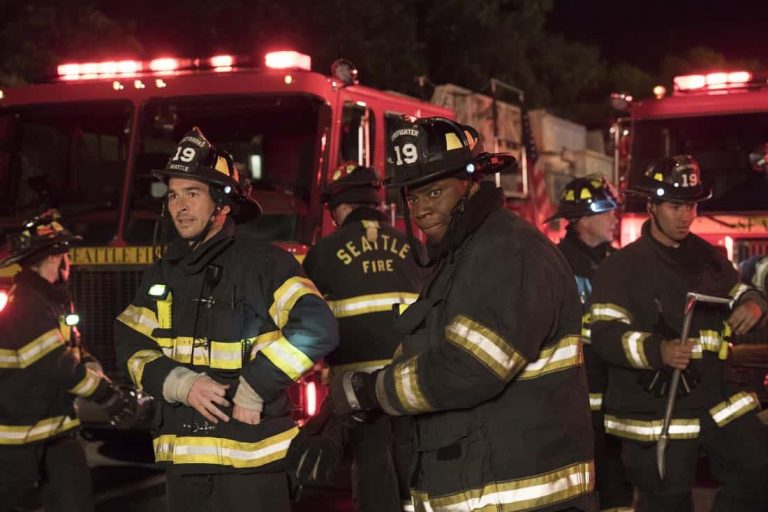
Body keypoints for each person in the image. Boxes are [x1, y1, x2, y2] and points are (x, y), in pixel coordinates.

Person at [327, 116, 596, 511]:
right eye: (412, 198)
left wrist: (374, 391)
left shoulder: (509, 251)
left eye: (434, 192)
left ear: (472, 183)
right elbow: (428, 350)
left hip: (520, 496)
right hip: (485, 485)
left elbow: (470, 368)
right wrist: (348, 408)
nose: (421, 210)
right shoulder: (462, 254)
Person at [114, 127, 338, 512]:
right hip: (184, 468)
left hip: (252, 468)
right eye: (173, 195)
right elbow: (130, 343)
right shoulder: (163, 272)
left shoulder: (264, 264)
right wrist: (180, 383)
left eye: (193, 193)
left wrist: (254, 386)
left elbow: (318, 327)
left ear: (223, 203)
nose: (180, 206)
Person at [590, 154, 768, 512]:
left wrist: (754, 304)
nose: (685, 216)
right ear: (652, 206)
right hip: (657, 405)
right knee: (667, 500)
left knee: (757, 470)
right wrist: (658, 350)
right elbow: (605, 335)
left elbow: (740, 291)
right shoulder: (622, 267)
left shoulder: (709, 257)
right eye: (675, 206)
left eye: (691, 206)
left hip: (716, 394)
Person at [301, 163, 423, 511]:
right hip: (411, 380)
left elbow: (306, 321)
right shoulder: (414, 247)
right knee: (413, 460)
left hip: (356, 390)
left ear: (340, 208)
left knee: (371, 464)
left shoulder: (323, 253)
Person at [0, 210, 128, 512]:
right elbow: (56, 366)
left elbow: (71, 348)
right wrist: (108, 396)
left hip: (57, 428)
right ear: (56, 258)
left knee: (74, 499)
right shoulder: (26, 304)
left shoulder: (51, 300)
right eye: (66, 255)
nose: (69, 262)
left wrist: (90, 362)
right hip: (18, 435)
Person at [548, 176, 632, 511]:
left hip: (619, 397)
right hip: (575, 402)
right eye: (607, 211)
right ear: (582, 219)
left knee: (619, 488)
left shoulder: (620, 262)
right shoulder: (557, 265)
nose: (615, 218)